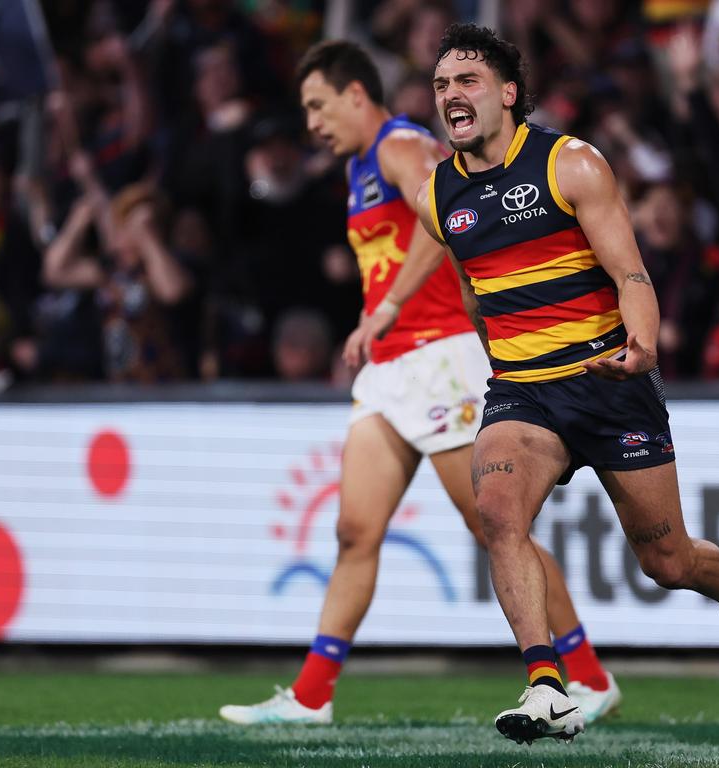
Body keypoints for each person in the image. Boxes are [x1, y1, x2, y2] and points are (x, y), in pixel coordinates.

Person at [388, 23, 719, 744]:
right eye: (441, 85)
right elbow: (477, 293)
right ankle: (547, 684)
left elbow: (632, 273)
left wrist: (642, 344)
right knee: (499, 513)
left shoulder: (572, 165)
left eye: (466, 81)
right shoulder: (436, 196)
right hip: (523, 390)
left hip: (609, 379)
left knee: (668, 561)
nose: (451, 95)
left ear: (508, 93)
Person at [218, 39, 620, 727]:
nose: (312, 122)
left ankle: (586, 675)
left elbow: (451, 215)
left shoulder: (401, 147)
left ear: (355, 94)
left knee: (496, 526)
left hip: (439, 357)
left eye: (318, 105)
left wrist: (391, 307)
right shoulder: (358, 168)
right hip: (393, 368)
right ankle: (313, 696)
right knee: (354, 531)